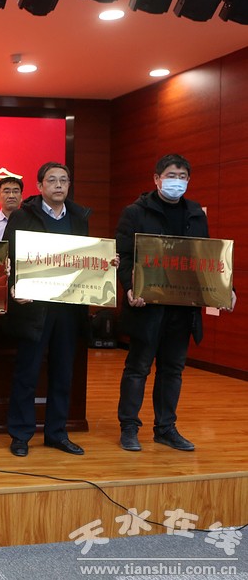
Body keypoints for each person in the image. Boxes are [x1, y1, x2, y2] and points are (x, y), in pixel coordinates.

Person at [115, 154, 236, 452]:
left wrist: (225, 289)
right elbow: (123, 257)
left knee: (172, 370)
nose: (177, 182)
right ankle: (129, 427)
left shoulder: (195, 213)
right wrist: (130, 287)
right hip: (146, 306)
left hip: (182, 309)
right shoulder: (135, 212)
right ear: (157, 179)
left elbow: (206, 259)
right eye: (171, 175)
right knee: (138, 368)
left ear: (189, 181)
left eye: (182, 177)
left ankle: (165, 428)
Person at [4, 162, 90, 458]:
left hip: (68, 308)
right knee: (27, 374)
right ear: (40, 186)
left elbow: (86, 259)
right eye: (52, 180)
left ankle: (56, 433)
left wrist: (106, 263)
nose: (59, 185)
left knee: (63, 374)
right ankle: (20, 434)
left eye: (64, 180)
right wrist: (12, 287)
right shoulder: (23, 216)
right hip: (33, 308)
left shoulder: (79, 217)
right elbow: (7, 258)